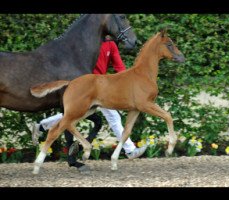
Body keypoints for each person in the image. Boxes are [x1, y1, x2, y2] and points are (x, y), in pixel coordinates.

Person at [32, 36, 147, 170]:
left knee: (75, 114)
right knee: (103, 116)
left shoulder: (110, 45)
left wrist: (127, 81)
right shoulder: (90, 41)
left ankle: (41, 126)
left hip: (101, 87)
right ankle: (130, 150)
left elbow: (119, 66)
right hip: (88, 87)